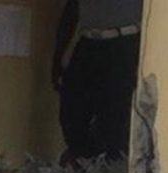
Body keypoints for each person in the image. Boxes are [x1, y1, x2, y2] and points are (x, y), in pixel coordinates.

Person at [52, 0, 142, 164]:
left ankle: (110, 170)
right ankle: (83, 163)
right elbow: (72, 10)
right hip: (89, 42)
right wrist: (57, 58)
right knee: (72, 112)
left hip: (126, 42)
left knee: (115, 117)